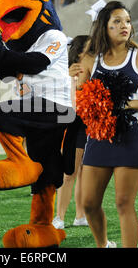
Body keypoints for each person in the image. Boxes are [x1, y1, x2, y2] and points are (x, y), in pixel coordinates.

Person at [76, 1, 138, 248]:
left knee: (124, 204)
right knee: (89, 203)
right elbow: (79, 96)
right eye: (117, 21)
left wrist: (125, 106)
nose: (124, 26)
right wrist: (74, 81)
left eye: (127, 21)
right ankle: (104, 244)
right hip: (98, 136)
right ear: (104, 27)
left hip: (130, 135)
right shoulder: (91, 58)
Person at [52, 35, 89, 229]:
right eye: (89, 48)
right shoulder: (67, 71)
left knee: (85, 173)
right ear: (78, 51)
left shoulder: (95, 68)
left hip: (91, 124)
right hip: (73, 124)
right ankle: (59, 217)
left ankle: (80, 215)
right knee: (69, 172)